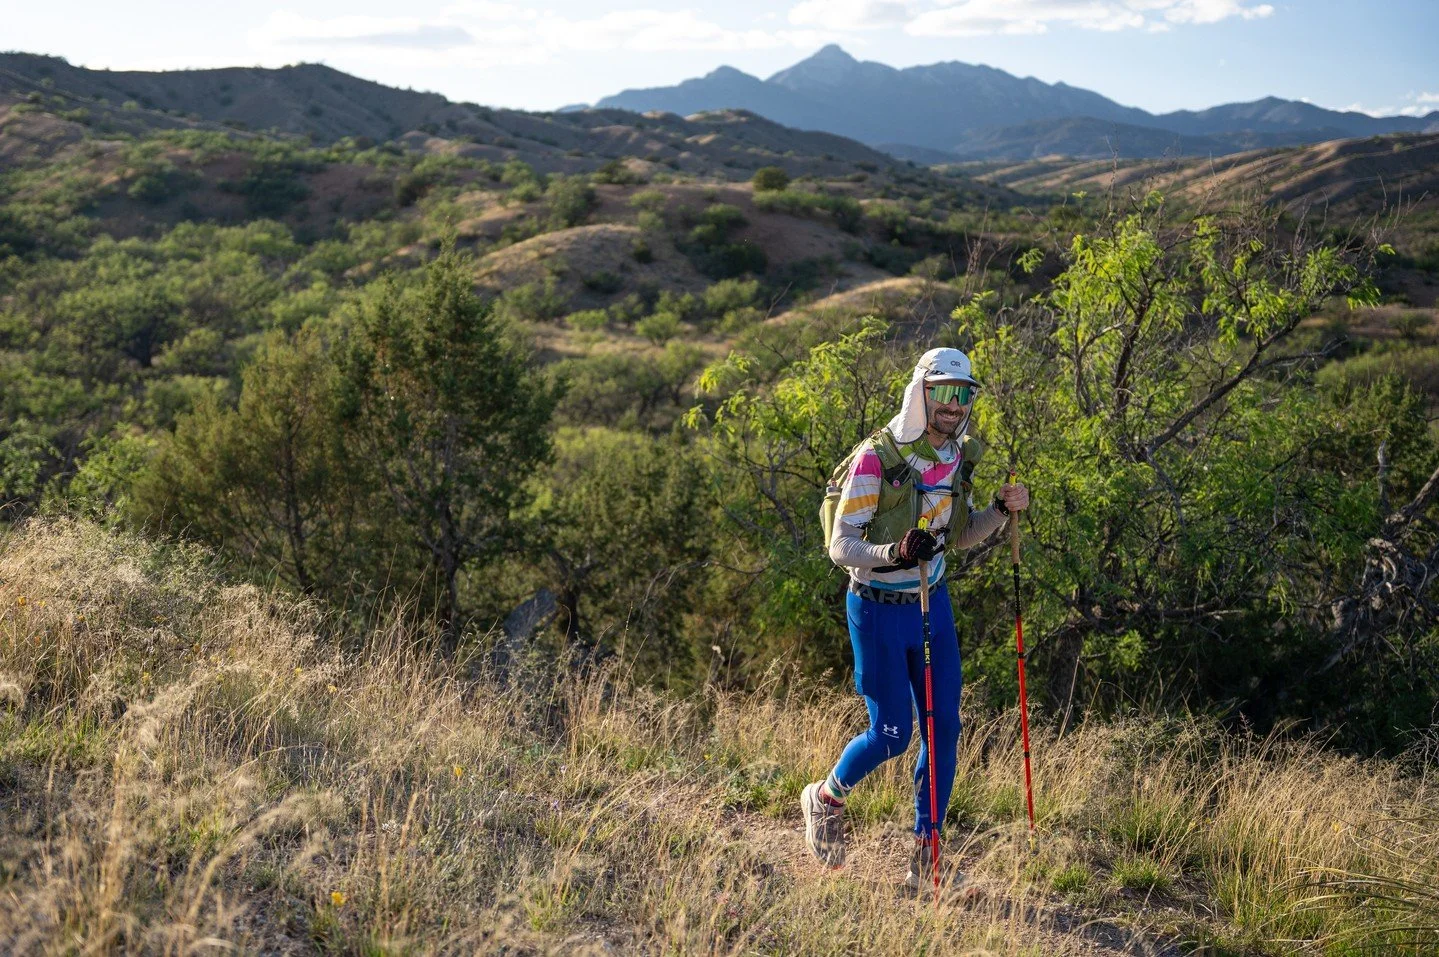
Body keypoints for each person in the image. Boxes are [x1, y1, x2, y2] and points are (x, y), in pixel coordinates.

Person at [801, 347, 1029, 889]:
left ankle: (927, 847)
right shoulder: (876, 459)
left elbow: (958, 536)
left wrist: (1000, 511)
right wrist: (895, 554)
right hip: (878, 609)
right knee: (893, 732)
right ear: (920, 393)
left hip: (934, 604)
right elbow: (841, 547)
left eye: (964, 394)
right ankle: (827, 797)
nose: (953, 406)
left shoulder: (957, 458)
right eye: (944, 392)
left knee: (943, 726)